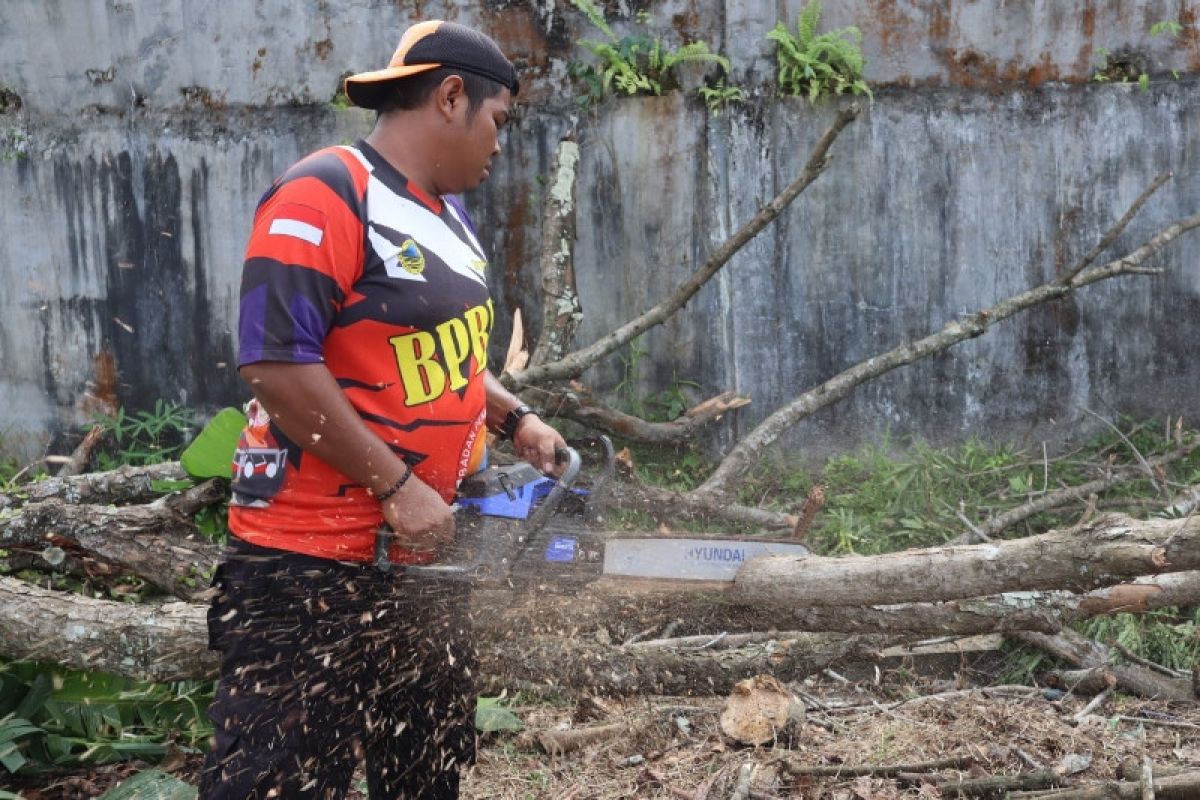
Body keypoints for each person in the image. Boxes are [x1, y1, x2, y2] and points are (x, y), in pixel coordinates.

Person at [199, 20, 564, 799]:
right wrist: (398, 489)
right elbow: (274, 361)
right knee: (283, 781)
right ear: (451, 96)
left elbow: (441, 353)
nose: (500, 146)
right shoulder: (325, 191)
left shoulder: (447, 219)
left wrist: (512, 418)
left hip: (426, 557)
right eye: (498, 122)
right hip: (311, 561)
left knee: (425, 770)